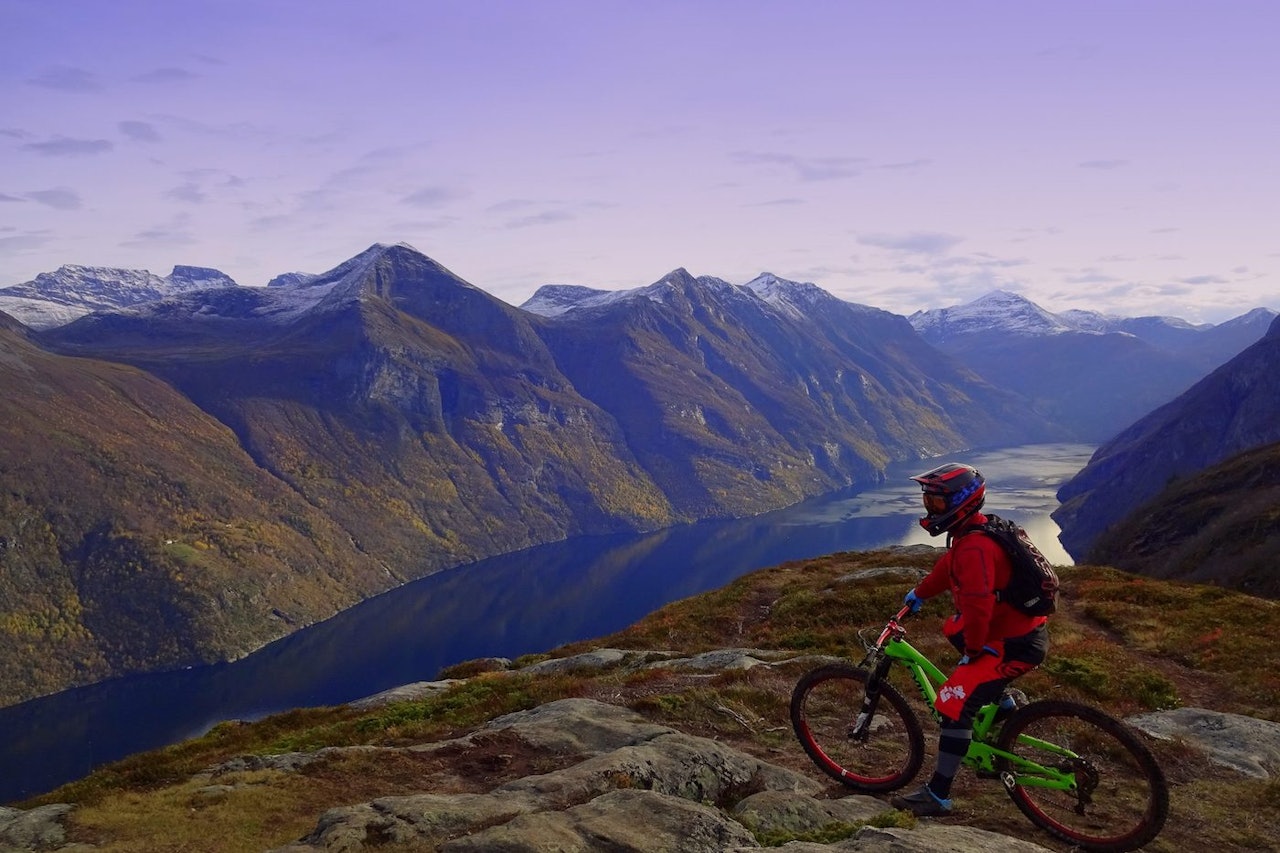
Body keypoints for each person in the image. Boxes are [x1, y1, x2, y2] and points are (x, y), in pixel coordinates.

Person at [890, 462, 1049, 817]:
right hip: (1020, 631)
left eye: (936, 503)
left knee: (951, 704)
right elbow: (948, 569)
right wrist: (920, 592)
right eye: (928, 502)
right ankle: (1002, 706)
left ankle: (939, 794)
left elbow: (978, 610)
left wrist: (974, 654)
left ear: (961, 501)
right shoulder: (976, 531)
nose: (930, 509)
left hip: (1012, 643)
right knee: (953, 629)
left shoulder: (974, 548)